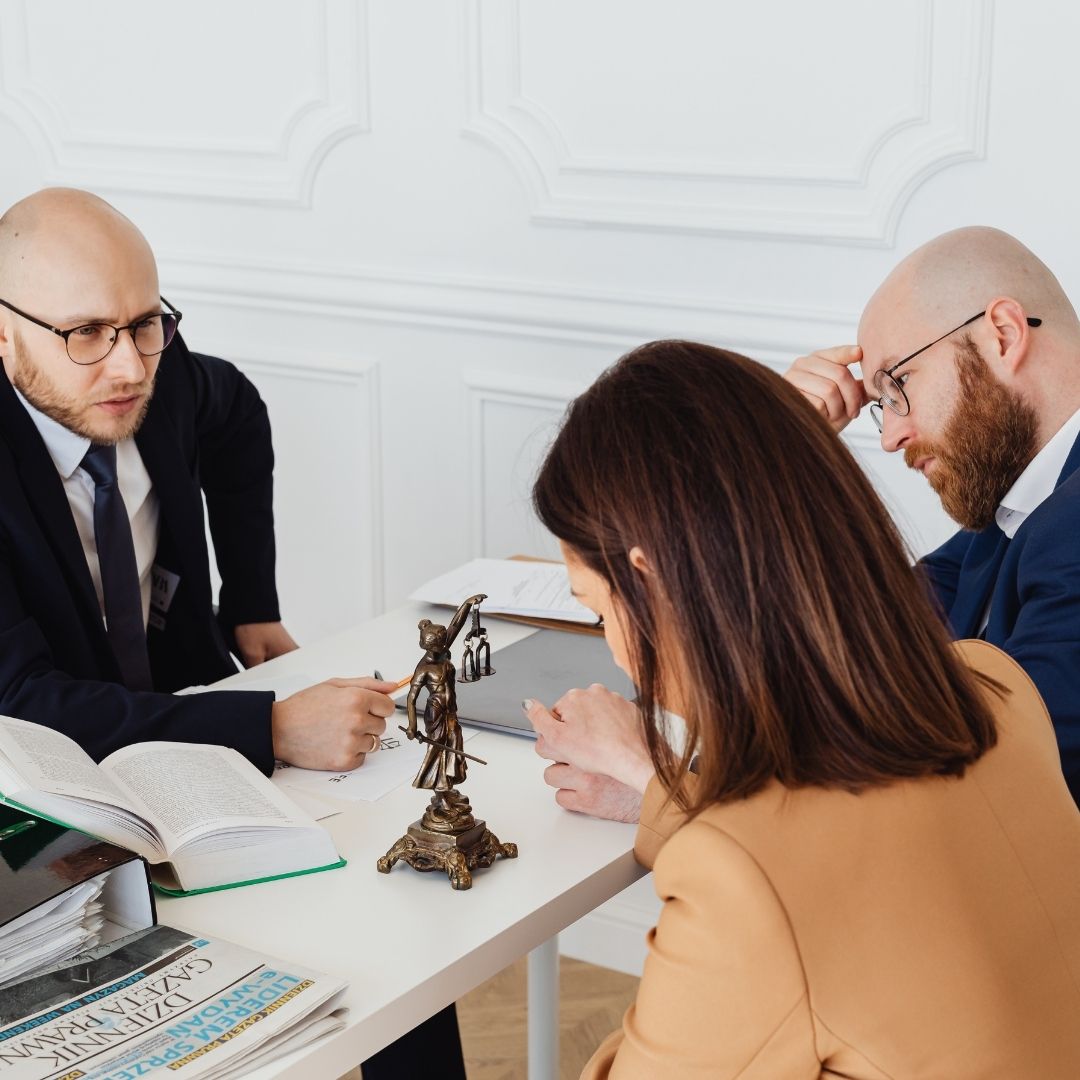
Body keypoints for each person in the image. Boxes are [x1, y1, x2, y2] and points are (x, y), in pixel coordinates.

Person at [0, 188, 466, 1080]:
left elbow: (239, 414)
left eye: (147, 323)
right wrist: (273, 727)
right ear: (5, 331)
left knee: (399, 918)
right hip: (41, 801)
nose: (130, 365)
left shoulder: (162, 380)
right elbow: (21, 703)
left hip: (183, 724)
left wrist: (250, 603)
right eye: (88, 333)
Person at [526, 340, 1080, 1078]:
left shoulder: (743, 883)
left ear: (650, 579)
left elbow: (769, 873)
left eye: (599, 614)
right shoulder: (991, 686)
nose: (618, 655)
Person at [785, 226, 1080, 802]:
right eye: (881, 405)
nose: (891, 436)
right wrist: (785, 447)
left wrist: (651, 776)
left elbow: (975, 783)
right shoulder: (1014, 514)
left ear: (1002, 334)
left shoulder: (1068, 527)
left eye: (899, 383)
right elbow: (863, 650)